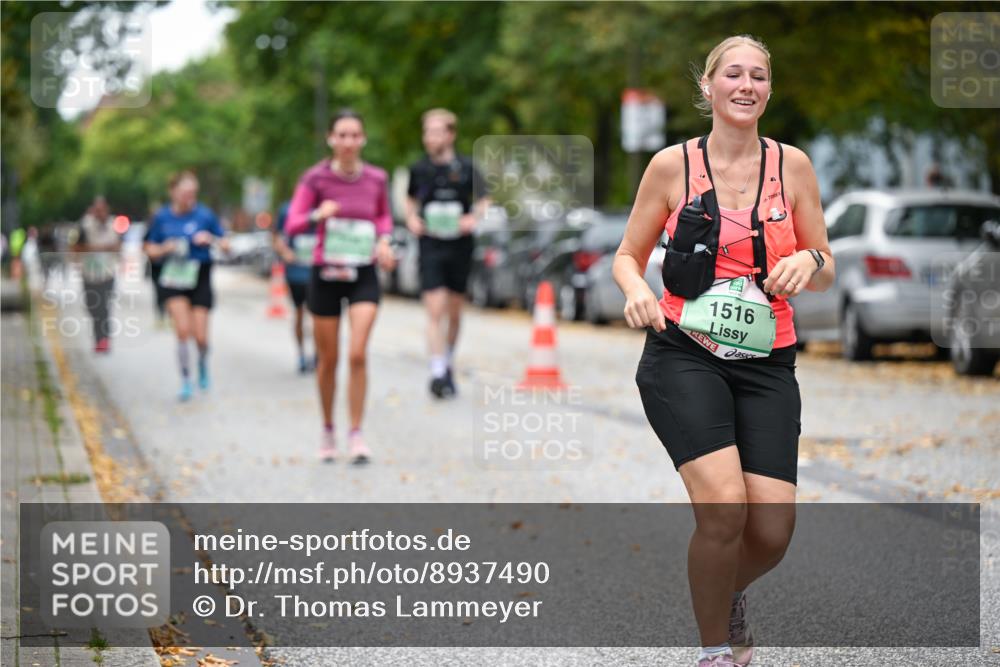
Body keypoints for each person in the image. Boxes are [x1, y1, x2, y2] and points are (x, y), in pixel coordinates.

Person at [612, 36, 835, 667]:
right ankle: (716, 648)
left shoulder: (793, 165)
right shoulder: (670, 166)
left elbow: (825, 264)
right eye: (732, 74)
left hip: (768, 362)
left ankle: (726, 585)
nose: (746, 85)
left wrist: (806, 259)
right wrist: (635, 292)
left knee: (771, 530)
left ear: (768, 89)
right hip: (683, 352)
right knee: (724, 510)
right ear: (707, 88)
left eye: (758, 76)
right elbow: (627, 256)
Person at [286, 110, 396, 463]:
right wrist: (319, 214)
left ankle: (356, 432)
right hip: (326, 274)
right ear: (331, 139)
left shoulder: (377, 178)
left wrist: (384, 241)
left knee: (358, 353)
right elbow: (293, 223)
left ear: (363, 140)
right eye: (342, 135)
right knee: (329, 360)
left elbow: (383, 216)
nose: (349, 142)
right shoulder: (314, 179)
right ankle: (328, 428)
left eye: (355, 135)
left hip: (363, 272)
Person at [405, 108, 488, 399]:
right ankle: (438, 370)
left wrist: (473, 218)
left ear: (451, 134)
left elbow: (484, 199)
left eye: (437, 131)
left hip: (459, 247)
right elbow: (410, 201)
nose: (430, 137)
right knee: (434, 310)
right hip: (431, 246)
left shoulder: (467, 167)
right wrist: (412, 219)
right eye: (427, 132)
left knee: (454, 313)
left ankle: (448, 358)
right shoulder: (419, 169)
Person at [143, 171, 229, 401]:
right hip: (173, 278)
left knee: (200, 337)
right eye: (185, 193)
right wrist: (164, 248)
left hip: (199, 276)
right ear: (173, 192)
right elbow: (149, 249)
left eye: (193, 193)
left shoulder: (205, 215)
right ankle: (185, 379)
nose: (190, 197)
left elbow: (226, 244)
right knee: (182, 331)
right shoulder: (161, 218)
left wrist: (211, 239)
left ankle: (201, 363)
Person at [272, 200, 315, 373]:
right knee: (299, 314)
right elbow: (277, 237)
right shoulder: (287, 209)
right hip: (296, 272)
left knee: (317, 315)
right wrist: (284, 252)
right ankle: (301, 354)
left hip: (317, 272)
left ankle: (319, 354)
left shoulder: (323, 206)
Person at [74, 197, 121, 353]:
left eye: (103, 210)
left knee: (104, 307)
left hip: (107, 273)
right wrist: (96, 248)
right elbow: (76, 246)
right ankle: (99, 337)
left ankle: (103, 339)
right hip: (89, 273)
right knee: (92, 306)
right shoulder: (85, 224)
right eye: (97, 210)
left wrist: (108, 249)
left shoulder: (114, 224)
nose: (100, 213)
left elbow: (119, 246)